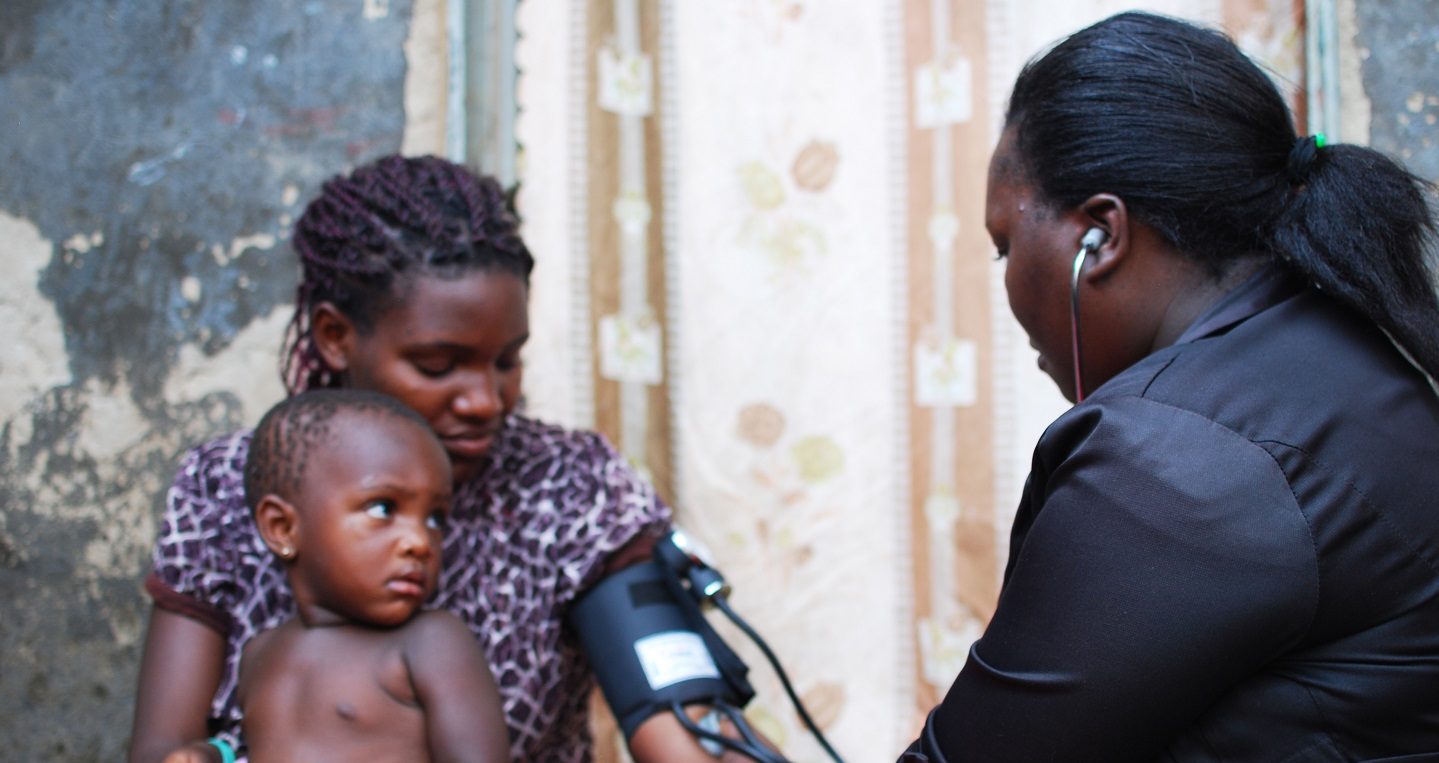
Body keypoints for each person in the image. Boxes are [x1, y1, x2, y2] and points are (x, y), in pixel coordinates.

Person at [902, 11, 1439, 762]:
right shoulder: (1340, 361)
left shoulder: (1174, 457)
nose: (1007, 286)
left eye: (1004, 246)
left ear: (1100, 236)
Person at [129, 155, 756, 763]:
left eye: (507, 360)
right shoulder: (224, 485)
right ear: (335, 337)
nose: (486, 400)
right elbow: (165, 749)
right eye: (438, 365)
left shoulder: (569, 484)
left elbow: (686, 733)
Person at [161, 388, 510, 763]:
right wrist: (212, 756)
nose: (420, 541)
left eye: (435, 517)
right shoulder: (260, 654)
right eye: (382, 508)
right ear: (282, 528)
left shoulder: (431, 643)